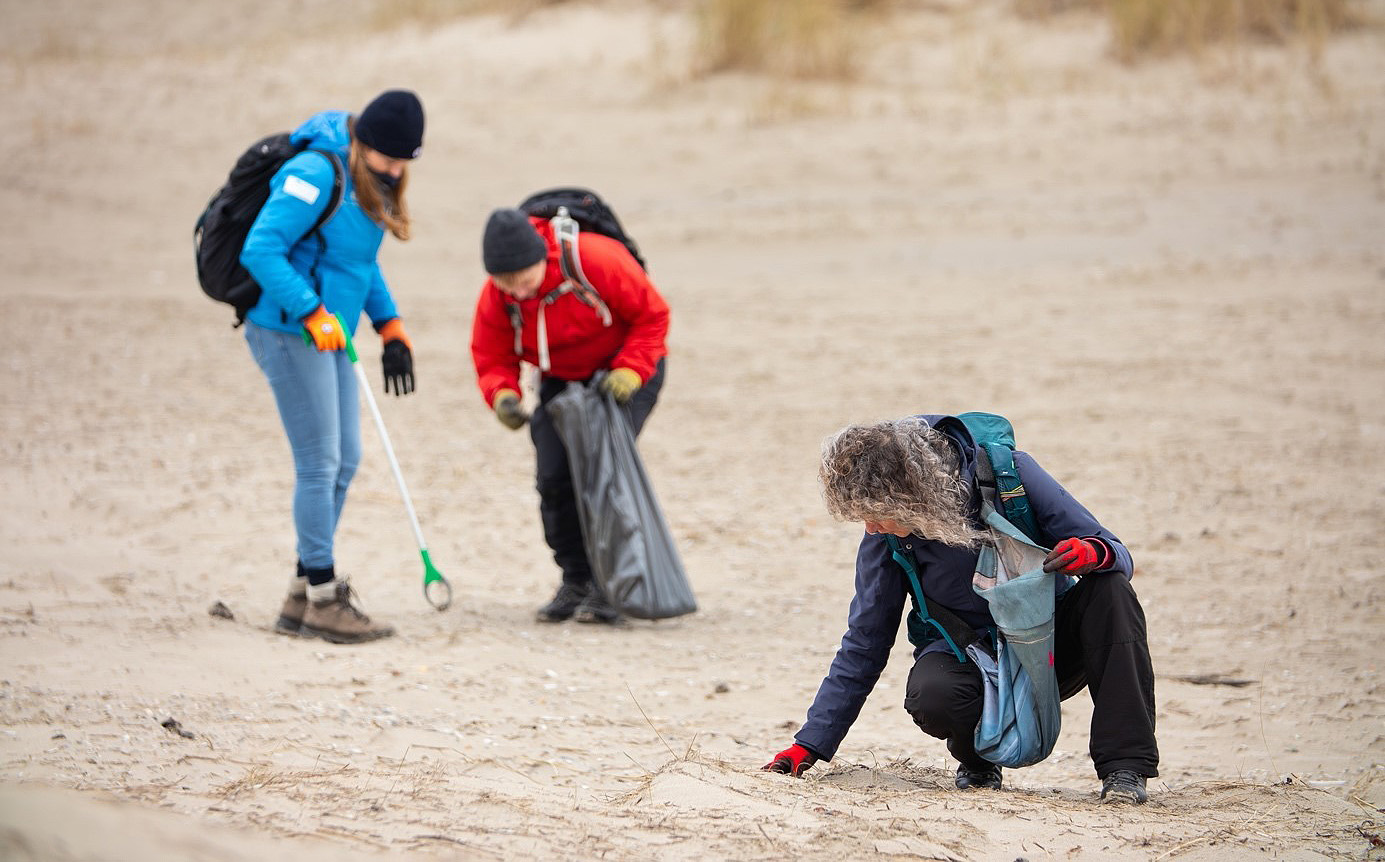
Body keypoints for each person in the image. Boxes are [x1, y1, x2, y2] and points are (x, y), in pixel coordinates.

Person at [763, 415, 1158, 804]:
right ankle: (978, 761)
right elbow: (865, 640)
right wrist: (810, 744)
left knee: (1111, 591)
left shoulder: (1011, 475)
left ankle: (1125, 768)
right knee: (932, 695)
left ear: (912, 495)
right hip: (967, 657)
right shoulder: (887, 539)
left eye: (875, 513)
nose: (869, 528)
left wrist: (1093, 553)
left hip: (1048, 645)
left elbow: (1115, 552)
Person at [239, 89, 426, 644]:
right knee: (320, 462)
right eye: (386, 158)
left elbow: (357, 262)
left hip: (331, 333)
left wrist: (388, 325)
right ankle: (322, 596)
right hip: (286, 329)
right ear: (361, 142)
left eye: (404, 162)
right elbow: (261, 248)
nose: (394, 171)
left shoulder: (373, 182)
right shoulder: (315, 173)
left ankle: (301, 597)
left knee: (346, 461)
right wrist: (310, 310)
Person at [470, 207, 670, 625]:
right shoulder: (498, 295)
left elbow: (653, 315)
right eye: (507, 284)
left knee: (603, 474)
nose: (519, 292)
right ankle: (576, 578)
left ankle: (611, 585)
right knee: (553, 478)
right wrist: (502, 395)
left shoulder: (594, 259)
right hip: (559, 379)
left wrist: (630, 370)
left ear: (543, 257)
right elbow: (491, 353)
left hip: (625, 371)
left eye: (525, 279)